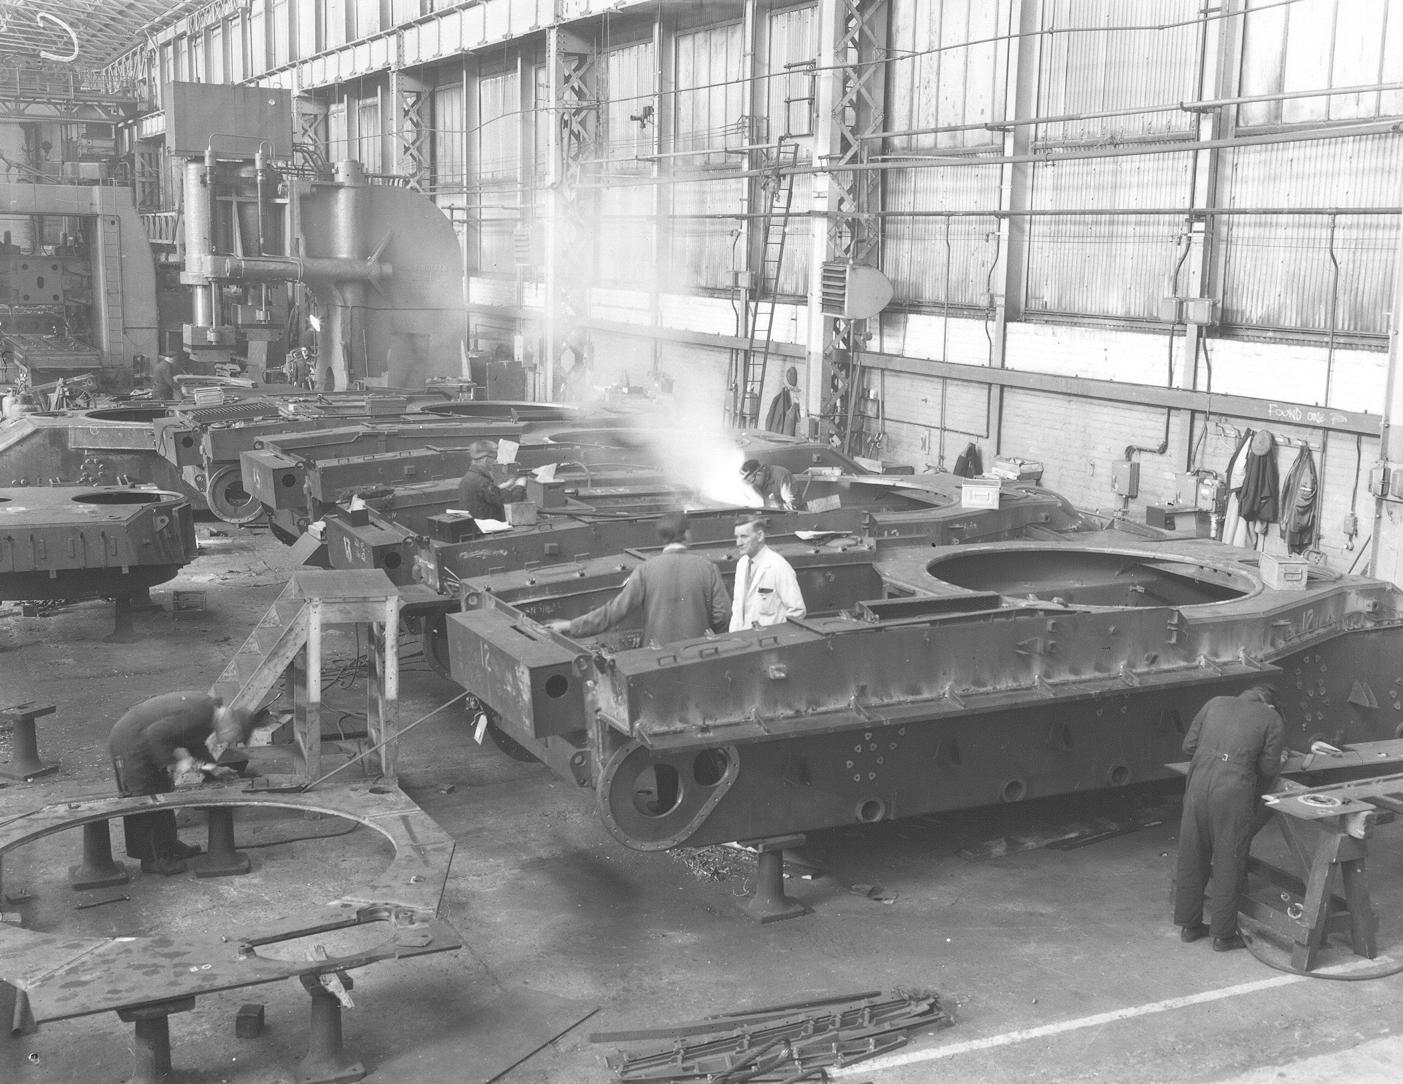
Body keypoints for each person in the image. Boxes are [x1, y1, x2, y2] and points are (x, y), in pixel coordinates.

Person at [1173, 684, 1285, 951]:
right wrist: (1279, 758)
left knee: (1193, 852)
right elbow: (1268, 769)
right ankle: (1223, 936)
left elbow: (1188, 746)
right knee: (1229, 857)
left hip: (1199, 783)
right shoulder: (1271, 718)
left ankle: (1189, 927)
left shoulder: (1214, 702)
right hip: (1232, 790)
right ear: (1269, 705)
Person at [109, 692, 257, 875]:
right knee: (144, 797)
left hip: (146, 740)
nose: (234, 742)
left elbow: (195, 746)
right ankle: (152, 859)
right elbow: (155, 734)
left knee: (163, 792)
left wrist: (213, 769)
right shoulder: (200, 714)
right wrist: (176, 763)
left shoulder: (209, 717)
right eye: (237, 738)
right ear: (233, 728)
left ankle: (169, 846)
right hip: (130, 741)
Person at [548, 511, 730, 647]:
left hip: (656, 658)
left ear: (662, 538)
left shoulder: (645, 570)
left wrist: (571, 626)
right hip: (700, 653)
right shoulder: (708, 568)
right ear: (687, 534)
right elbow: (722, 615)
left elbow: (614, 612)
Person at [729, 516, 806, 631]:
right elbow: (737, 608)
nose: (738, 543)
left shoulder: (778, 566)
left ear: (760, 536)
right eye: (737, 537)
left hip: (769, 644)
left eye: (744, 537)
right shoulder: (742, 564)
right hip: (744, 644)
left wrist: (778, 638)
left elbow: (797, 611)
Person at [457, 440, 506, 521]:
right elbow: (503, 501)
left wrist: (499, 487)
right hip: (488, 528)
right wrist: (519, 486)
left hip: (473, 525)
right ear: (486, 460)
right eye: (495, 459)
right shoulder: (483, 482)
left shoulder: (467, 477)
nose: (496, 462)